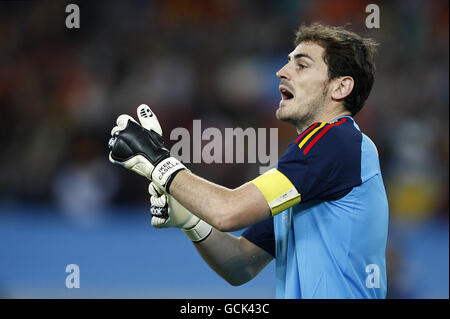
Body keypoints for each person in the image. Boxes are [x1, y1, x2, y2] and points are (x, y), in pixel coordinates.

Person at [108, 23, 389, 299]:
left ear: (340, 87)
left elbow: (228, 212)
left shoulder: (335, 141)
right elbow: (242, 263)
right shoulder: (313, 163)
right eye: (287, 62)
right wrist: (191, 220)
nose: (281, 72)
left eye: (301, 65)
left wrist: (159, 162)